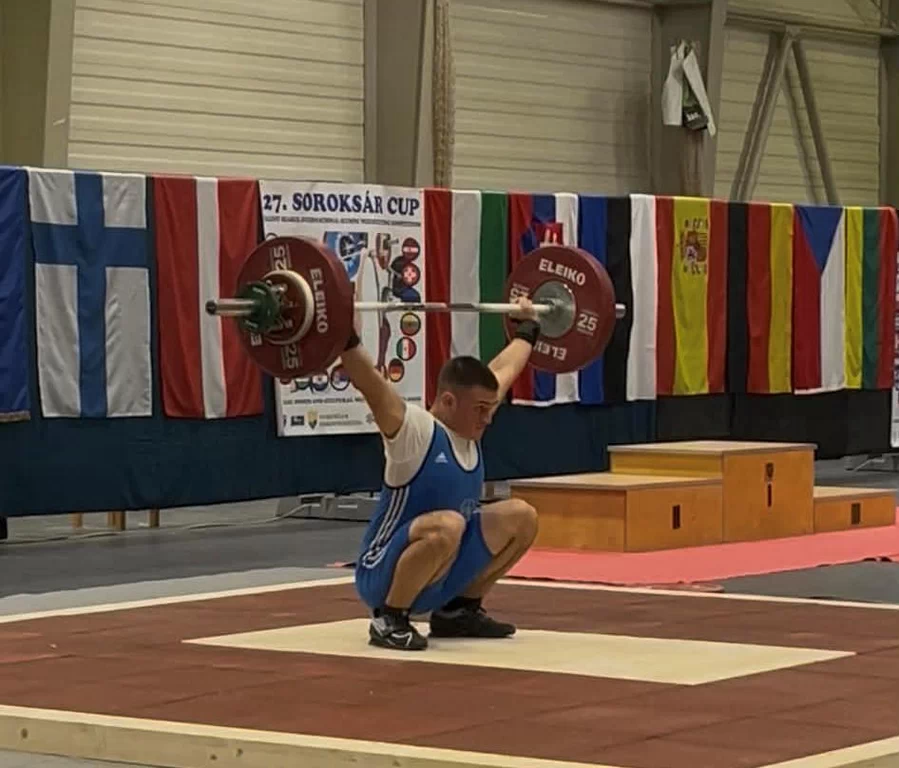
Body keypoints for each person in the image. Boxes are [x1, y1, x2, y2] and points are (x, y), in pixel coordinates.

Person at [338, 298, 541, 651]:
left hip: (441, 566)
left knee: (522, 516)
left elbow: (506, 368)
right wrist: (344, 335)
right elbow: (371, 384)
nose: (487, 418)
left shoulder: (471, 421)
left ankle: (458, 612)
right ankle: (389, 619)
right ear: (447, 401)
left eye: (490, 408)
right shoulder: (415, 431)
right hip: (382, 573)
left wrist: (529, 327)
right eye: (480, 409)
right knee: (449, 524)